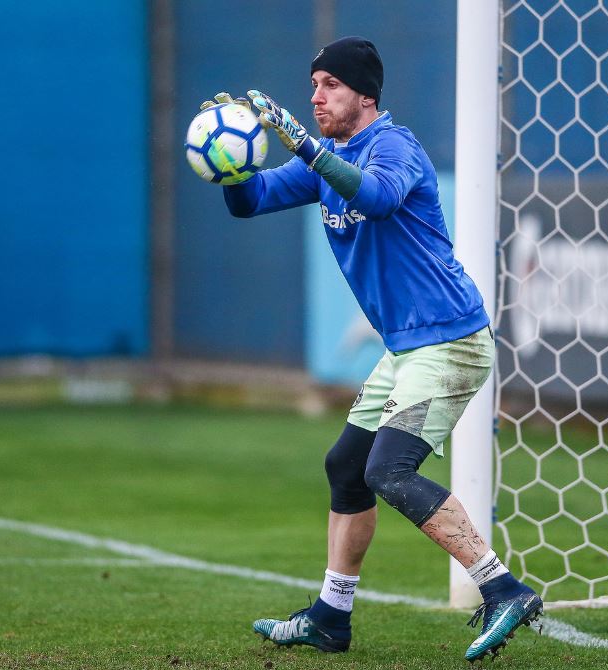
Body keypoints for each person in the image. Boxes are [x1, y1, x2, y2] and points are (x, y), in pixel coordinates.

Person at [201, 36, 542, 661]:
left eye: (329, 85)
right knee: (346, 468)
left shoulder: (394, 146)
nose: (316, 96)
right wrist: (229, 163)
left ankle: (504, 589)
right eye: (312, 86)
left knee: (388, 471)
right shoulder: (324, 157)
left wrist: (302, 142)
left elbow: (377, 197)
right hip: (408, 349)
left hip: (451, 340)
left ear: (365, 94)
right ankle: (331, 617)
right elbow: (249, 203)